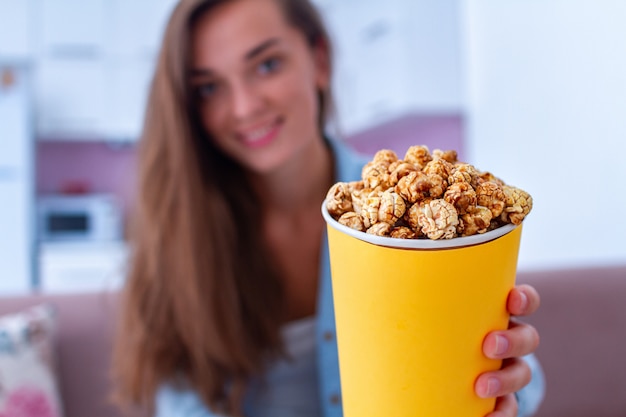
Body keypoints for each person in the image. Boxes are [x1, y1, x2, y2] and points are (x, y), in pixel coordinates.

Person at [112, 0, 545, 416]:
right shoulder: (180, 233)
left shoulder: (412, 218)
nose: (244, 107)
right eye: (208, 87)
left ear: (319, 60)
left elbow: (520, 379)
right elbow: (180, 402)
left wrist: (502, 388)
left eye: (266, 65)